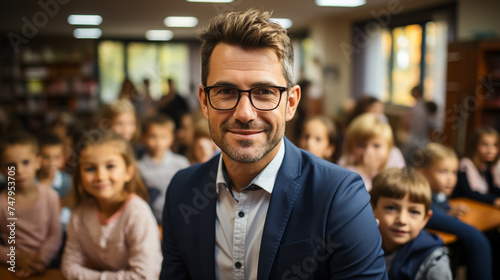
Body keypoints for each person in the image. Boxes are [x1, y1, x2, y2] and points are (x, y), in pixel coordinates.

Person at [160, 8, 387, 280]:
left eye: (265, 92)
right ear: (204, 101)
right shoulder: (182, 192)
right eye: (226, 91)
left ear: (290, 103)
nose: (244, 113)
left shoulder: (339, 196)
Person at [61, 130, 161, 279]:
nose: (101, 176)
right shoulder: (80, 214)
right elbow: (69, 267)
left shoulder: (137, 213)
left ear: (128, 172)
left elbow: (144, 276)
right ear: (80, 175)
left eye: (110, 166)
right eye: (90, 168)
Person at [415, 142, 493, 280]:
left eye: (453, 172)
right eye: (443, 171)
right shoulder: (421, 201)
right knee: (478, 238)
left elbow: (439, 204)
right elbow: (432, 211)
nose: (451, 179)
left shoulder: (438, 194)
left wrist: (448, 209)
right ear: (423, 173)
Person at [370, 168, 452, 280]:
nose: (402, 220)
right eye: (391, 208)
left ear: (425, 219)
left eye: (414, 212)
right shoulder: (362, 246)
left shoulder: (434, 261)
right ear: (372, 208)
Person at [0, 131, 62, 278]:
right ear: (1, 169)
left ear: (38, 163)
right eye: (10, 165)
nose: (19, 170)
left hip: (49, 264)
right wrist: (14, 257)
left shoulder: (50, 196)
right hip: (12, 268)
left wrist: (41, 260)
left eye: (26, 162)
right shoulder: (1, 204)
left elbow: (55, 234)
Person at [138, 114, 190, 223]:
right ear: (143, 137)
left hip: (179, 217)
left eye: (163, 137)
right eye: (153, 136)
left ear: (171, 138)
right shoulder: (138, 167)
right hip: (150, 220)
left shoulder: (181, 163)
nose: (158, 142)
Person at [341, 113, 396, 191]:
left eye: (376, 146)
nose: (369, 152)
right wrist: (365, 171)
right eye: (361, 145)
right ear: (350, 148)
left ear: (388, 148)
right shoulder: (348, 173)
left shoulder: (393, 165)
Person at [453, 126, 500, 207]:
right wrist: (493, 200)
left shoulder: (486, 167)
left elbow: (492, 189)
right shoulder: (465, 165)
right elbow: (469, 193)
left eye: (495, 145)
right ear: (475, 146)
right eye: (485, 145)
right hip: (464, 207)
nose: (490, 150)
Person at [36, 133, 72, 229]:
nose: (51, 162)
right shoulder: (30, 182)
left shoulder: (67, 182)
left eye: (57, 157)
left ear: (64, 158)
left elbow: (67, 210)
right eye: (46, 157)